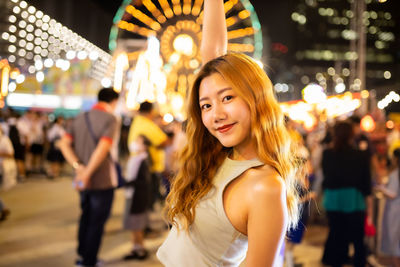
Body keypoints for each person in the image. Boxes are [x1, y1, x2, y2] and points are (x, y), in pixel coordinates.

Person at [156, 0, 301, 266]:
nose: (216, 114)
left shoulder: (265, 185)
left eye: (228, 98)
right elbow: (213, 55)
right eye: (206, 105)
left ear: (255, 98)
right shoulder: (216, 156)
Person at [59, 88, 119, 267]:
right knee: (96, 222)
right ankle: (89, 261)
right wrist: (87, 173)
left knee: (86, 216)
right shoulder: (110, 119)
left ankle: (82, 256)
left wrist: (79, 168)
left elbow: (64, 144)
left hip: (81, 179)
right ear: (113, 101)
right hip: (101, 180)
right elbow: (103, 148)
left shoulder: (80, 117)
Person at [321, 120, 373, 267]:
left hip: (333, 199)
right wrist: (368, 204)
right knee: (357, 238)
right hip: (354, 199)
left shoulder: (327, 154)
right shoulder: (360, 155)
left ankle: (336, 261)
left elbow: (327, 177)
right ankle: (358, 263)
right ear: (352, 135)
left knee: (337, 235)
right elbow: (366, 181)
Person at [127, 101, 168, 209]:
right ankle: (143, 223)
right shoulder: (146, 124)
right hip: (148, 166)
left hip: (140, 164)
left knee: (145, 196)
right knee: (148, 196)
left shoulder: (137, 121)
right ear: (151, 111)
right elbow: (163, 142)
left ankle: (144, 222)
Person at [123, 135, 152, 261]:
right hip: (132, 195)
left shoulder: (143, 160)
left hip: (138, 198)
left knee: (137, 224)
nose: (134, 143)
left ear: (144, 145)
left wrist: (126, 183)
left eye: (138, 141)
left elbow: (142, 182)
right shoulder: (137, 158)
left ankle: (140, 249)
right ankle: (135, 247)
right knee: (133, 224)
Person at [375, 148, 400, 267]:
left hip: (395, 210)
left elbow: (393, 194)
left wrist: (381, 188)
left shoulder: (395, 174)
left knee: (394, 237)